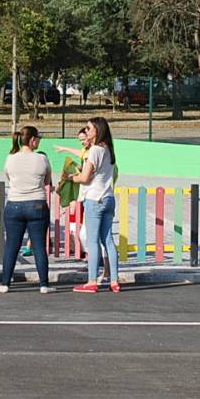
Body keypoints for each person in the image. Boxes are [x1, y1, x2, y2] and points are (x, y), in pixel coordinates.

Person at [0, 125, 53, 293]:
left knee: (12, 246)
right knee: (38, 246)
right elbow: (47, 181)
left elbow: (8, 176)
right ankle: (44, 284)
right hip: (37, 203)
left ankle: (5, 283)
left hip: (14, 203)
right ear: (33, 140)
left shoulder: (10, 158)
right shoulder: (42, 159)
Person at [72, 117, 120, 294]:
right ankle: (114, 280)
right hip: (108, 197)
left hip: (94, 198)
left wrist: (72, 178)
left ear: (97, 131)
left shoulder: (94, 150)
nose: (87, 131)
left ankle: (92, 280)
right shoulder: (109, 149)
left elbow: (85, 178)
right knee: (108, 239)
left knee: (92, 241)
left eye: (89, 128)